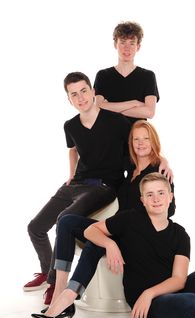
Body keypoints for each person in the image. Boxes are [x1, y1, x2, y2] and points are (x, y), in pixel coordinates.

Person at [32, 173, 195, 318]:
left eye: (161, 193)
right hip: (149, 306)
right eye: (149, 195)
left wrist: (150, 292)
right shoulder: (130, 220)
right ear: (143, 200)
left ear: (170, 197)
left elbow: (179, 280)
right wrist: (110, 245)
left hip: (163, 293)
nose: (156, 199)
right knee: (189, 302)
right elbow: (90, 230)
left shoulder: (180, 234)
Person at [41, 120, 175, 306]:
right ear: (131, 143)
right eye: (136, 139)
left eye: (146, 138)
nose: (141, 143)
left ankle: (68, 298)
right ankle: (59, 289)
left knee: (94, 244)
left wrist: (163, 160)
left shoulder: (158, 172)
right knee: (66, 221)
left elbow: (170, 210)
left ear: (154, 142)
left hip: (133, 234)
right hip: (116, 227)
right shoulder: (131, 168)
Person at [24, 71, 131, 304]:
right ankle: (46, 271)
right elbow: (72, 149)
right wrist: (71, 174)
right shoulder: (70, 125)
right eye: (74, 94)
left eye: (84, 91)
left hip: (103, 186)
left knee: (65, 218)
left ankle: (55, 282)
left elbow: (139, 142)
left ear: (92, 91)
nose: (81, 97)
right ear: (69, 99)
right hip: (76, 184)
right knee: (35, 227)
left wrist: (161, 159)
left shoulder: (115, 121)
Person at [94, 21, 159, 125]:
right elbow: (97, 107)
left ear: (138, 47)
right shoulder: (103, 75)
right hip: (109, 138)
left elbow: (149, 112)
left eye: (132, 43)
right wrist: (134, 103)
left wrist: (110, 107)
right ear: (115, 44)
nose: (127, 48)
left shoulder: (148, 76)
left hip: (137, 138)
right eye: (123, 42)